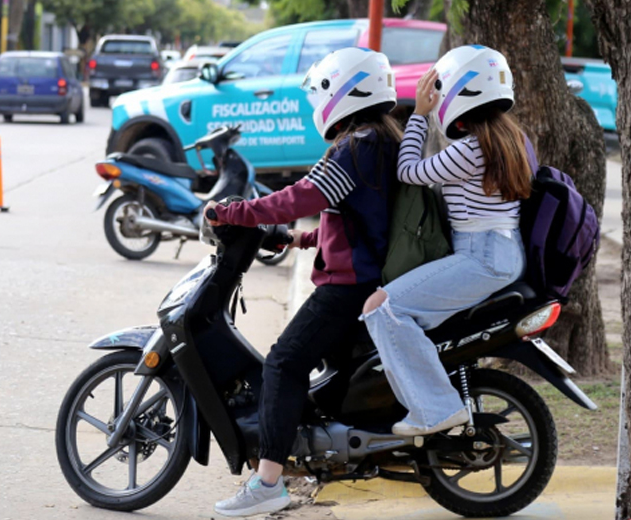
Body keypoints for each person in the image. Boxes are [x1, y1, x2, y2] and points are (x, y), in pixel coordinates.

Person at [205, 48, 402, 517]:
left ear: (343, 92)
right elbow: (360, 221)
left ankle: (268, 481)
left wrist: (233, 210)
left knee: (283, 363)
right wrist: (301, 239)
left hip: (348, 287)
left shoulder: (355, 148)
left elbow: (301, 196)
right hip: (367, 276)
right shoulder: (382, 141)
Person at [361, 45, 531, 437]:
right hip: (502, 253)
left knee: (382, 309)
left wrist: (419, 114)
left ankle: (436, 410)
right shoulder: (511, 139)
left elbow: (407, 171)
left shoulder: (470, 150)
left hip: (481, 257)